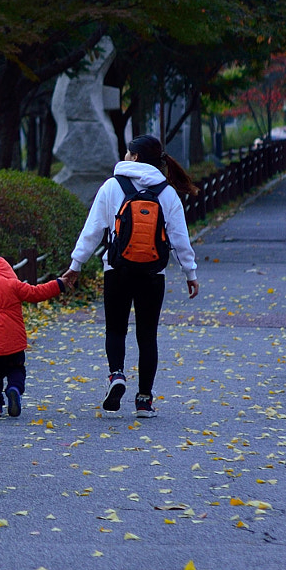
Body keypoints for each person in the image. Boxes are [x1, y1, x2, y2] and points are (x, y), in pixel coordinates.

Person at [65, 133, 199, 415]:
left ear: (135, 157)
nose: (125, 156)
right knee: (147, 335)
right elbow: (179, 238)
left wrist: (75, 266)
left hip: (117, 270)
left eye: (128, 152)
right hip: (153, 273)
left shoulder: (113, 186)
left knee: (115, 329)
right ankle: (144, 400)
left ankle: (116, 375)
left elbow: (92, 231)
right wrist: (190, 272)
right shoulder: (167, 192)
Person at [0, 255, 66, 418]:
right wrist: (59, 284)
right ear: (8, 270)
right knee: (16, 368)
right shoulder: (13, 285)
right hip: (12, 340)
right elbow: (37, 293)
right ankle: (14, 389)